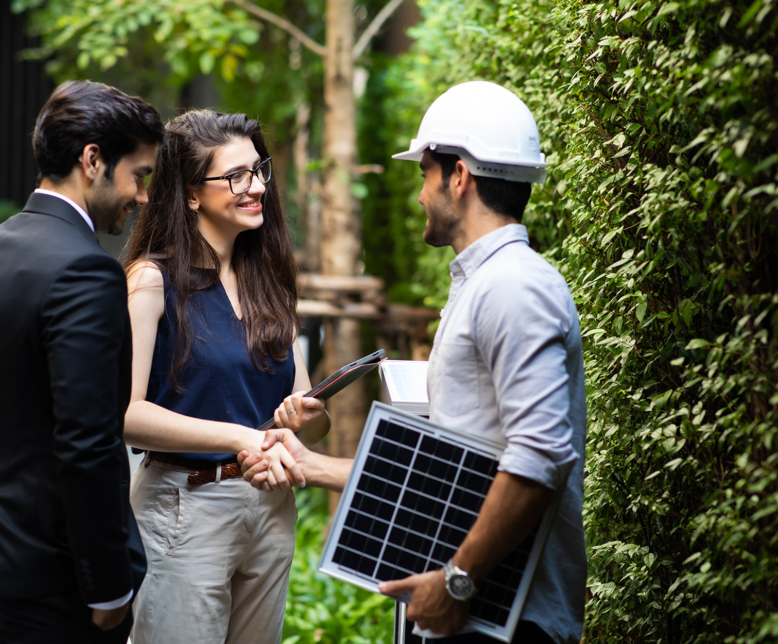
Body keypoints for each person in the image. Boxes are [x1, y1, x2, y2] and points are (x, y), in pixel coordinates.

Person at [240, 81, 587, 644]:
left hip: (503, 621)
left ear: (460, 177)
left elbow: (540, 456)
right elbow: (449, 469)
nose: (419, 195)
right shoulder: (483, 286)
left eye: (424, 174)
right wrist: (310, 464)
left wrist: (456, 581)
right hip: (470, 610)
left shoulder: (515, 289)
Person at [0, 80, 164, 643]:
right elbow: (88, 443)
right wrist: (108, 586)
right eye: (139, 175)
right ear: (93, 160)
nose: (142, 196)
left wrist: (6, 511)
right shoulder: (86, 271)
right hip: (60, 588)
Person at [120, 109, 330, 644]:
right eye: (235, 176)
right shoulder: (151, 280)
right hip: (185, 506)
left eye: (258, 170)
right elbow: (127, 414)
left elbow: (308, 411)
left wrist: (306, 415)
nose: (256, 186)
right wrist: (241, 436)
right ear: (192, 194)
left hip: (271, 507)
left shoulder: (271, 279)